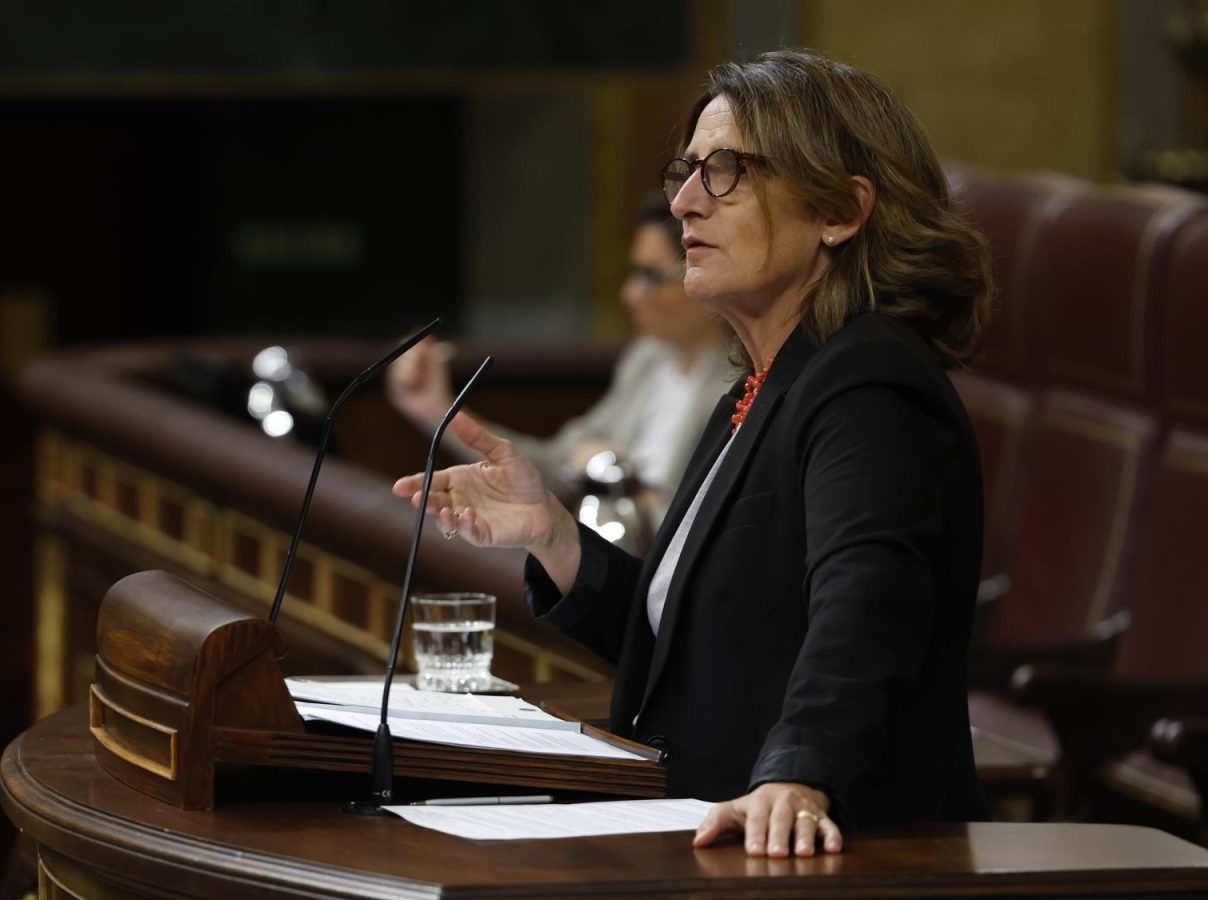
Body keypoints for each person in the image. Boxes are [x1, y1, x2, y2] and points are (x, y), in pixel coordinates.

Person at [394, 50, 991, 857]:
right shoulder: (757, 390)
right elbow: (697, 642)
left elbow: (867, 600)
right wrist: (555, 538)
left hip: (834, 857)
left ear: (840, 213)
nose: (683, 203)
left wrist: (801, 770)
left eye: (726, 172)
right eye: (687, 171)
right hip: (716, 835)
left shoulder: (868, 382)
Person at [385, 195, 733, 521]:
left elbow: (700, 524)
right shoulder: (647, 361)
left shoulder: (741, 378)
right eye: (632, 273)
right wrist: (437, 410)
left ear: (703, 275)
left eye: (652, 277)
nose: (629, 295)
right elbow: (553, 467)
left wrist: (610, 468)